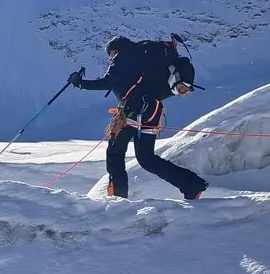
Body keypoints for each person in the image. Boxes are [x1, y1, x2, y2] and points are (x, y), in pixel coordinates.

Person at [69, 36, 208, 200]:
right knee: (146, 158)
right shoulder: (145, 57)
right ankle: (192, 185)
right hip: (153, 109)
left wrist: (80, 83)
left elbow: (108, 82)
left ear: (116, 49)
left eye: (110, 53)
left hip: (133, 110)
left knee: (115, 152)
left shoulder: (123, 57)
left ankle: (117, 198)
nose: (110, 57)